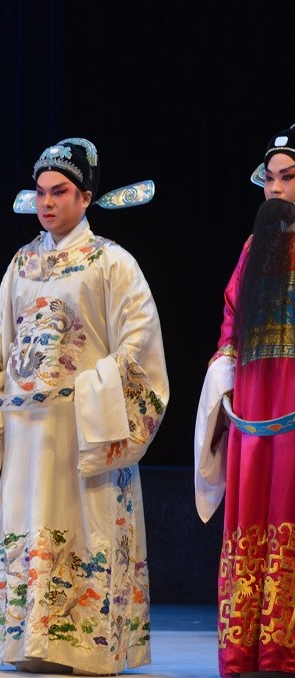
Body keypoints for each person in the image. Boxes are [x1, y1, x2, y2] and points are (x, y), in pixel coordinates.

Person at [0, 138, 168, 676]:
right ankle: (29, 642)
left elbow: (139, 341)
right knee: (27, 520)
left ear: (85, 197)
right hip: (28, 429)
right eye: (41, 192)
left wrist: (97, 387)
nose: (47, 202)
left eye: (60, 192)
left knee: (88, 523)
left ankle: (88, 646)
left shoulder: (111, 263)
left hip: (86, 428)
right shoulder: (22, 263)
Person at [194, 124, 295, 677]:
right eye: (269, 179)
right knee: (255, 507)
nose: (275, 189)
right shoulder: (256, 247)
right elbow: (232, 317)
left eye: (288, 178)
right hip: (256, 402)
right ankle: (251, 648)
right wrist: (224, 364)